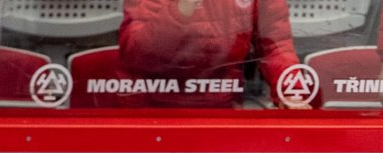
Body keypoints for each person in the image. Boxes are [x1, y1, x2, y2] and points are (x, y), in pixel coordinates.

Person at [118, 0, 312, 108]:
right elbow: (136, 54)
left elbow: (277, 45)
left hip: (222, 109)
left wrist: (291, 94)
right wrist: (181, 9)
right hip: (152, 112)